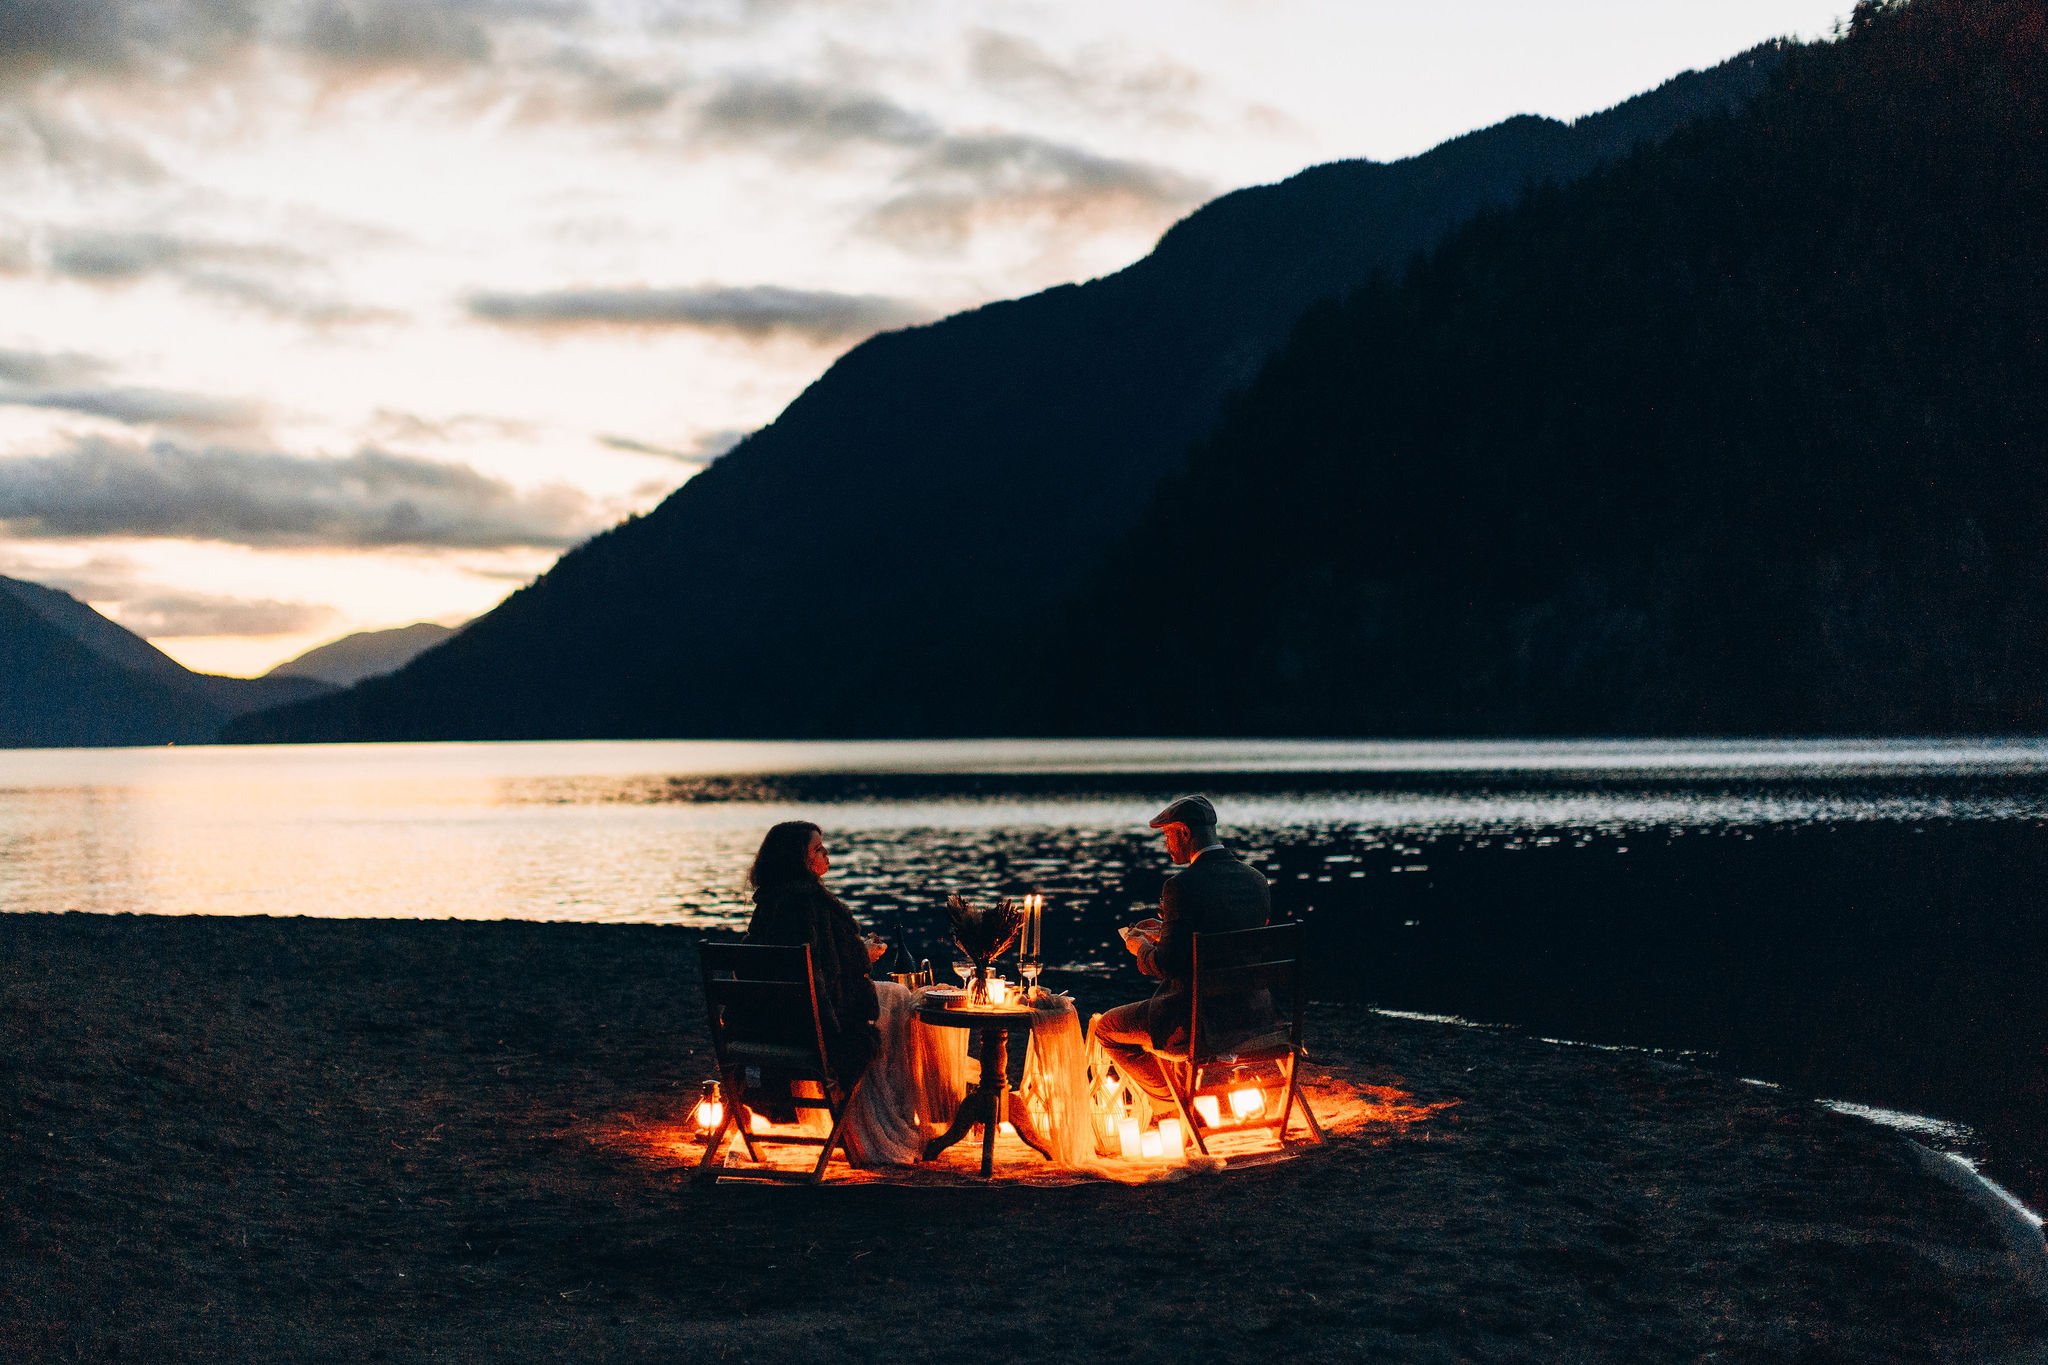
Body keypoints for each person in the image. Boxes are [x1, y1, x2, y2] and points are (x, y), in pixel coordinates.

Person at [1092, 794, 1272, 1108]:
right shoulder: (1256, 881)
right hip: (1254, 1014)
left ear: (1185, 834)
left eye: (1167, 835)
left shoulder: (1181, 886)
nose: (1166, 845)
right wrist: (1168, 929)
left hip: (1200, 1023)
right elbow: (1225, 937)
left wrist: (1141, 947)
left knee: (1107, 1028)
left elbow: (1168, 965)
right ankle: (1191, 1097)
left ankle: (1177, 1104)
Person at [740, 821, 887, 1105]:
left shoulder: (769, 902)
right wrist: (864, 954)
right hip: (808, 1030)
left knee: (890, 1000)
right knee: (900, 1005)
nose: (826, 853)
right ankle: (872, 1121)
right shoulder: (811, 905)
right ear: (798, 859)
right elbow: (829, 973)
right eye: (818, 849)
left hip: (765, 1026)